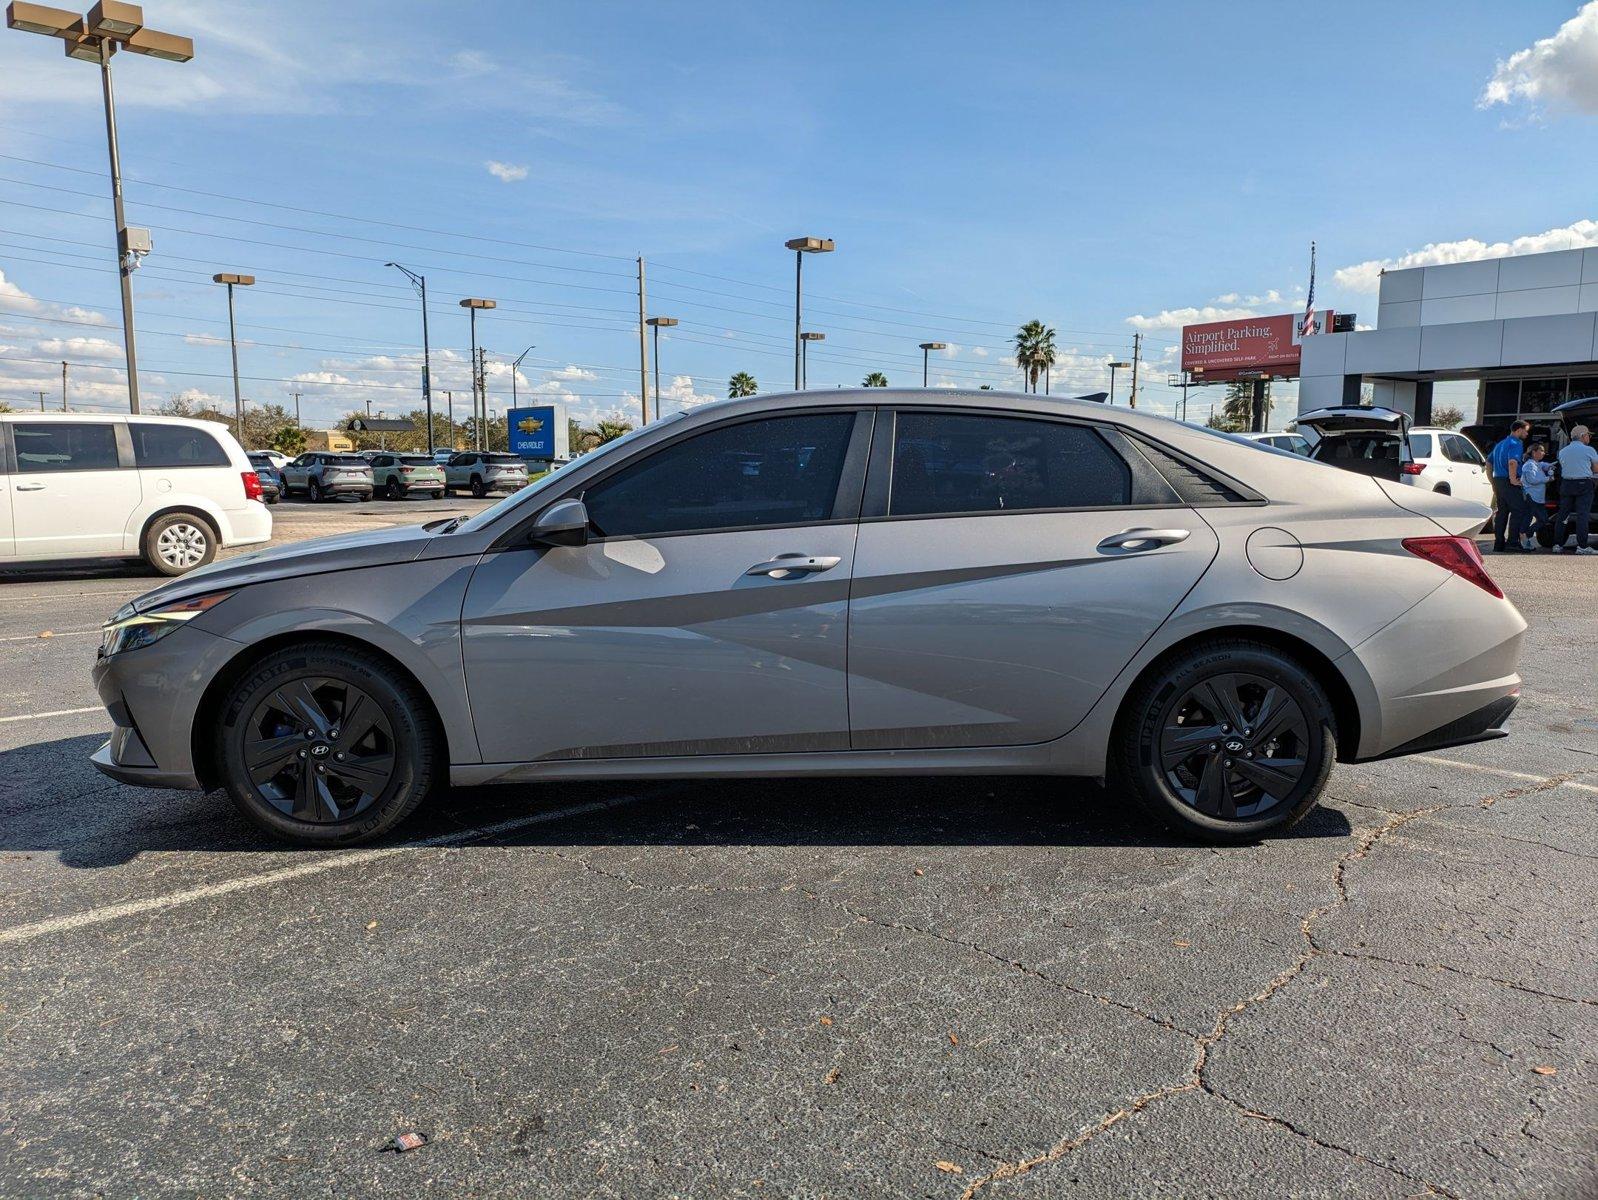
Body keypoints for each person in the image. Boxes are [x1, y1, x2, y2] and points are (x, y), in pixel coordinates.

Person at [1553, 424, 1598, 555]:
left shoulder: (1562, 451)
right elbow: (1596, 469)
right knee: (1582, 515)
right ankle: (1582, 546)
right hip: (1584, 483)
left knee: (1563, 514)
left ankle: (1557, 544)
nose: (1589, 437)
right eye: (1588, 435)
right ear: (1583, 436)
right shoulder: (1589, 450)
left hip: (1566, 484)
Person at [1489, 420, 1530, 552]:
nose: (1527, 433)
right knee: (1519, 510)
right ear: (1519, 430)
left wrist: (1493, 482)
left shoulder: (1500, 444)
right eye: (1526, 430)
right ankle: (1513, 542)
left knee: (1502, 512)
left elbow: (1488, 463)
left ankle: (1499, 543)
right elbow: (1513, 462)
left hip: (1499, 480)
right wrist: (1513, 479)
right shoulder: (1516, 443)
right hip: (1509, 480)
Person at [1520, 442, 1554, 550]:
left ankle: (1525, 537)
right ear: (1534, 452)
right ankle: (1524, 536)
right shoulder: (1529, 465)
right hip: (1532, 496)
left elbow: (1543, 464)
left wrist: (1549, 466)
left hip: (1537, 498)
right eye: (1542, 450)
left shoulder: (1536, 463)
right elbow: (1532, 480)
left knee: (1536, 518)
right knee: (1538, 519)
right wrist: (1548, 478)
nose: (1544, 453)